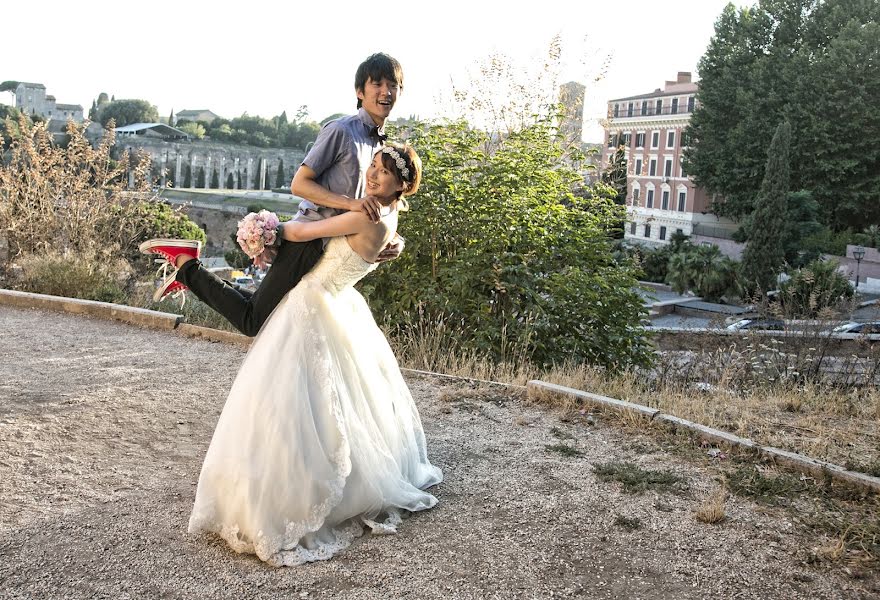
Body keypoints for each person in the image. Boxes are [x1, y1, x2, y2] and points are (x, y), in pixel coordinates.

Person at [187, 144, 442, 567]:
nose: (374, 176)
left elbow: (303, 233)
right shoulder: (390, 221)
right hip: (338, 302)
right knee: (326, 403)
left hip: (313, 301)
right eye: (373, 167)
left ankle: (284, 491)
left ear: (403, 185)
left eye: (384, 173)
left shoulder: (366, 214)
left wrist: (265, 229)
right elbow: (379, 239)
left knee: (289, 401)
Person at [139, 52, 405, 336]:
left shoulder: (379, 145)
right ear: (359, 91)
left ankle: (191, 273)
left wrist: (393, 239)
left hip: (332, 246)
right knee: (253, 321)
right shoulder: (340, 130)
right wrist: (350, 203)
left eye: (393, 85)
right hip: (308, 240)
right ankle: (187, 264)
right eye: (377, 84)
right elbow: (300, 184)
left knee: (272, 311)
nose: (386, 92)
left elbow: (381, 200)